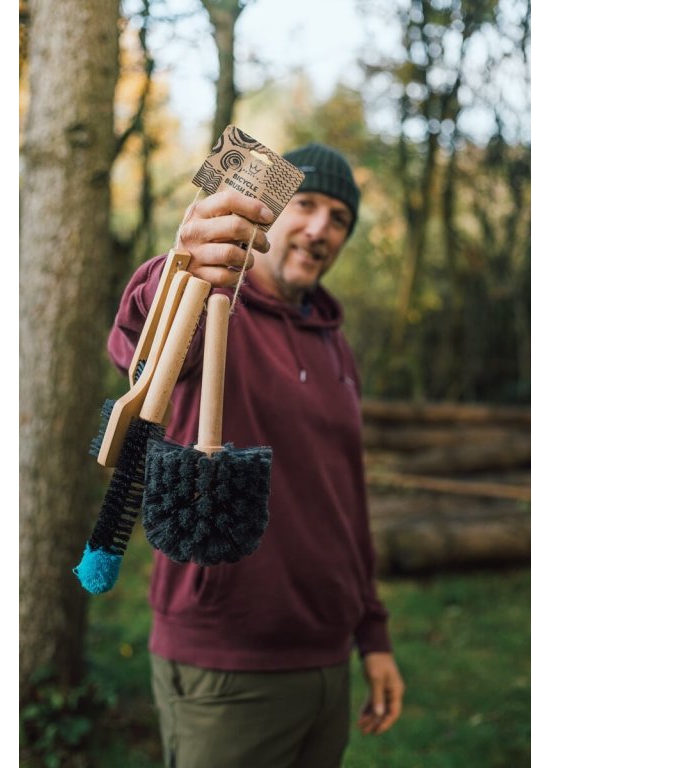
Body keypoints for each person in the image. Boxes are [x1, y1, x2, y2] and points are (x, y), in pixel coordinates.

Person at [107, 143, 405, 768]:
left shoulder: (335, 344)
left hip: (327, 659)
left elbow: (345, 499)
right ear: (270, 209)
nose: (320, 229)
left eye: (339, 219)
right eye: (307, 205)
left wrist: (372, 634)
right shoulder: (214, 308)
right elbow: (142, 342)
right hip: (226, 670)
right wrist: (181, 269)